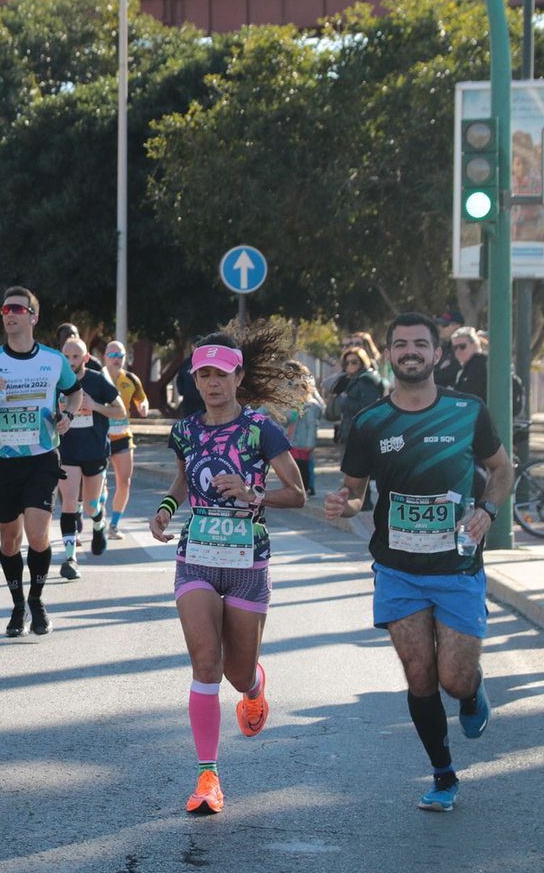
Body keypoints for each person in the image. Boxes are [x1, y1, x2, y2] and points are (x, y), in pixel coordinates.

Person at [325, 311, 512, 812]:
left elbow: (500, 470)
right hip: (398, 568)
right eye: (401, 343)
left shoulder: (468, 412)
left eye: (420, 344)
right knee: (420, 675)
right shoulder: (370, 423)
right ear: (389, 354)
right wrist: (345, 504)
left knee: (455, 678)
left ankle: (473, 695)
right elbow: (358, 493)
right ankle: (443, 775)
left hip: (456, 567)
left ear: (436, 353)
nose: (411, 351)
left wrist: (487, 510)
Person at [149, 326, 304, 815]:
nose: (213, 383)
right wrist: (167, 508)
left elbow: (297, 494)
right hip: (196, 556)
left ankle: (254, 687)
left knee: (236, 673)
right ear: (195, 380)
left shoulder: (261, 429)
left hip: (247, 562)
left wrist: (254, 494)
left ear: (238, 376)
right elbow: (182, 479)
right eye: (204, 375)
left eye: (221, 374)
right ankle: (207, 776)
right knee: (205, 664)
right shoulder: (186, 430)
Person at [0, 287, 83, 637]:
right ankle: (17, 605)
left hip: (41, 459)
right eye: (5, 309)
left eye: (18, 308)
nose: (10, 314)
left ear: (33, 316)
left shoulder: (52, 360)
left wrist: (69, 416)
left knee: (37, 534)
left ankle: (37, 600)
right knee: (8, 540)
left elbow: (74, 391)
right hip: (3, 461)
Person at [55, 338, 123, 580]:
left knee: (93, 504)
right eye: (66, 357)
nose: (70, 362)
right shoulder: (56, 382)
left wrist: (95, 405)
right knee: (69, 503)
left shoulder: (96, 380)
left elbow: (121, 410)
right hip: (68, 451)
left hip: (94, 450)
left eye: (75, 357)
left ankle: (98, 523)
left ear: (84, 359)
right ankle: (70, 557)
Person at [102, 341, 149, 544]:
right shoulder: (97, 377)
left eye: (120, 355)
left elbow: (142, 399)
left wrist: (143, 406)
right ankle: (98, 517)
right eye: (112, 354)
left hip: (122, 435)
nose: (116, 358)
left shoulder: (130, 379)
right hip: (100, 437)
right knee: (99, 485)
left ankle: (114, 525)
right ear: (105, 356)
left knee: (124, 481)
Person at [284, 361, 324, 497]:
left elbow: (313, 425)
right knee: (295, 466)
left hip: (303, 443)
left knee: (305, 466)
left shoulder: (310, 405)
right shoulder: (296, 404)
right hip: (294, 440)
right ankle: (297, 488)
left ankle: (306, 488)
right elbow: (287, 419)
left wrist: (310, 444)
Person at [332, 345, 385, 446]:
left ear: (363, 362)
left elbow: (368, 407)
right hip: (352, 434)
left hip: (361, 436)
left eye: (354, 362)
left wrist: (344, 400)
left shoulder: (366, 380)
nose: (350, 365)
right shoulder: (355, 379)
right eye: (347, 363)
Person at [446, 327, 488, 402]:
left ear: (475, 345)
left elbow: (468, 394)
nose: (458, 351)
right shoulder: (469, 365)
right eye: (455, 348)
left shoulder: (480, 364)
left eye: (462, 346)